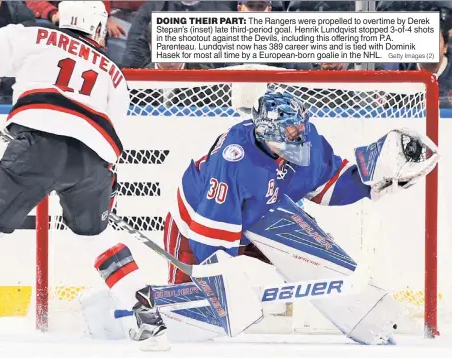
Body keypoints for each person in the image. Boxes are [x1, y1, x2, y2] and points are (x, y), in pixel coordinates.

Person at [0, 1, 170, 353]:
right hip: (94, 163)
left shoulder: (32, 34)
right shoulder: (115, 73)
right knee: (96, 238)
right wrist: (104, 185)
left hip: (37, 147)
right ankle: (149, 316)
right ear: (98, 28)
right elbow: (115, 143)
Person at [158, 91, 438, 344]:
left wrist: (373, 182)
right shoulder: (234, 161)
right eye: (291, 130)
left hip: (265, 216)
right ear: (268, 131)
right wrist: (227, 285)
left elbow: (329, 184)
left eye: (301, 126)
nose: (300, 135)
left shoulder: (309, 140)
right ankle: (151, 316)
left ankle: (366, 317)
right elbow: (210, 237)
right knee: (194, 320)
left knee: (315, 256)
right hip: (196, 225)